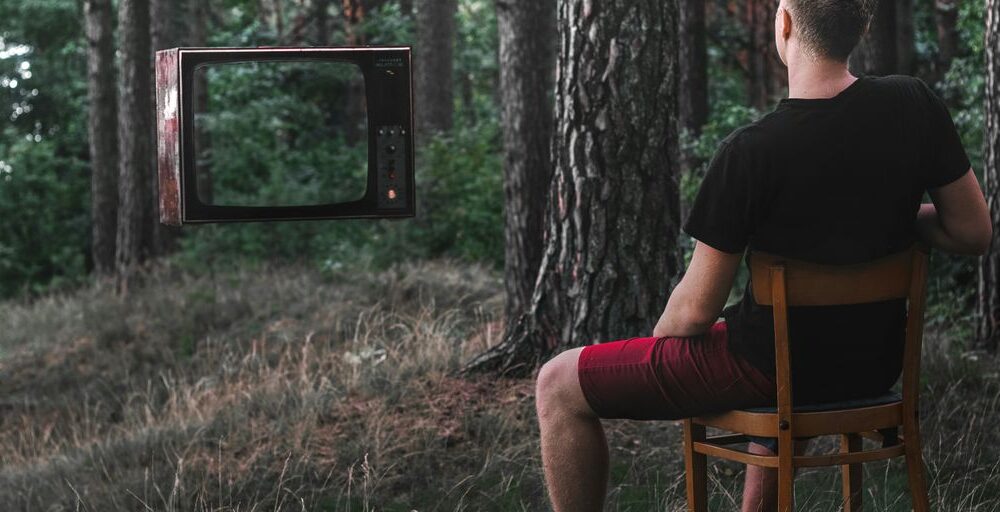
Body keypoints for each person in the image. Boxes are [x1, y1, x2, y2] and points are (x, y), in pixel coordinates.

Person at [532, 0, 993, 510]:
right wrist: (890, 216)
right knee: (783, 346)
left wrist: (664, 343)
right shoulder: (915, 104)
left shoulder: (750, 152)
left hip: (776, 366)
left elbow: (694, 312)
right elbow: (973, 231)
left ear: (786, 23)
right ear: (861, 27)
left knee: (557, 383)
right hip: (871, 365)